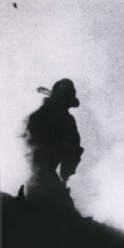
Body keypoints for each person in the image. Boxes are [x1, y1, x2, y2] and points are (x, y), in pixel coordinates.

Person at [23, 78, 83, 208]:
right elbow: (26, 142)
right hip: (39, 171)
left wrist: (66, 173)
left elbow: (73, 150)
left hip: (44, 172)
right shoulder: (40, 116)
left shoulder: (67, 121)